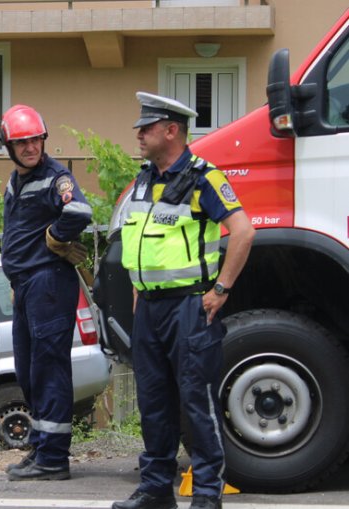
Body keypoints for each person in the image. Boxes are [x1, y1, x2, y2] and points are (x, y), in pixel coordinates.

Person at [111, 92, 255, 509]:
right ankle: (156, 488)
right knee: (153, 402)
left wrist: (221, 290)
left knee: (196, 401)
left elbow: (243, 232)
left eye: (147, 127)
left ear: (171, 131)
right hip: (151, 310)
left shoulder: (203, 178)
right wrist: (140, 289)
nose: (138, 133)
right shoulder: (144, 180)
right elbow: (143, 242)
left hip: (190, 308)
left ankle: (207, 494)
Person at [0, 104, 93, 481]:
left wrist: (55, 238)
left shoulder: (56, 177)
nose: (30, 148)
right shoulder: (15, 180)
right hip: (26, 286)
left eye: (36, 140)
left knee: (49, 369)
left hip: (49, 283)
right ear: (8, 146)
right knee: (29, 371)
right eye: (22, 142)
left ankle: (54, 458)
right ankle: (40, 448)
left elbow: (80, 212)